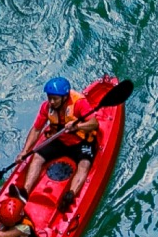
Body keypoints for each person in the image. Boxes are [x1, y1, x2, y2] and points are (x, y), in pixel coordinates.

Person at [27, 76, 104, 208]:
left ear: (64, 97)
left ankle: (70, 194)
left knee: (84, 164)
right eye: (49, 97)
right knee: (37, 157)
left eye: (55, 99)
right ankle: (24, 192)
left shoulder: (79, 103)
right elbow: (36, 129)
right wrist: (25, 151)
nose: (51, 101)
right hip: (59, 139)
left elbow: (94, 124)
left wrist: (77, 127)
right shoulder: (47, 107)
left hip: (81, 141)